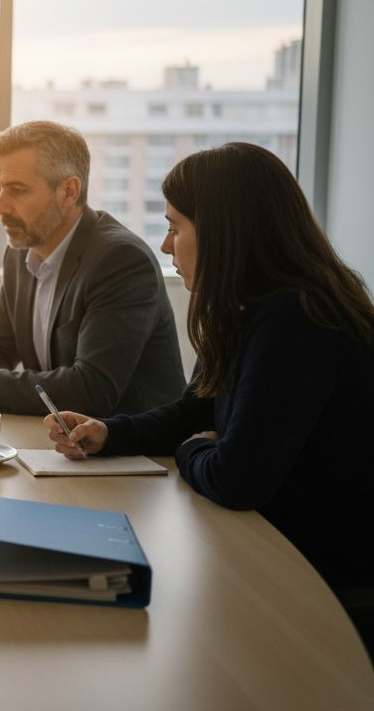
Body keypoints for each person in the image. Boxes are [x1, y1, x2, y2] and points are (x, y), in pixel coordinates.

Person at [44, 142, 374, 648]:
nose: (166, 245)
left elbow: (237, 478)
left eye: (176, 226)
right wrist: (109, 432)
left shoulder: (297, 319)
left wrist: (195, 448)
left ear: (225, 231)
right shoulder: (246, 310)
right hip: (278, 548)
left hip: (324, 580)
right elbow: (196, 410)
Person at [0, 120, 184, 416]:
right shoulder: (21, 251)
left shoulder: (120, 260)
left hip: (137, 453)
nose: (0, 207)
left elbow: (91, 389)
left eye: (17, 190)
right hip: (63, 446)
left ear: (68, 191)